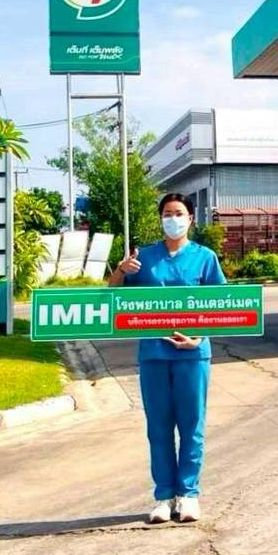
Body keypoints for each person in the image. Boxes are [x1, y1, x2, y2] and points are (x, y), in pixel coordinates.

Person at [108, 192, 225, 524]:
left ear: (190, 218)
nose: (173, 219)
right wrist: (121, 270)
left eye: (179, 213)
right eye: (167, 214)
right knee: (158, 428)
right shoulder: (143, 258)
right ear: (160, 219)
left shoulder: (205, 258)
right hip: (154, 355)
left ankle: (188, 494)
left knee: (191, 427)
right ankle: (163, 496)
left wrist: (198, 337)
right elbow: (112, 295)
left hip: (192, 355)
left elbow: (224, 303)